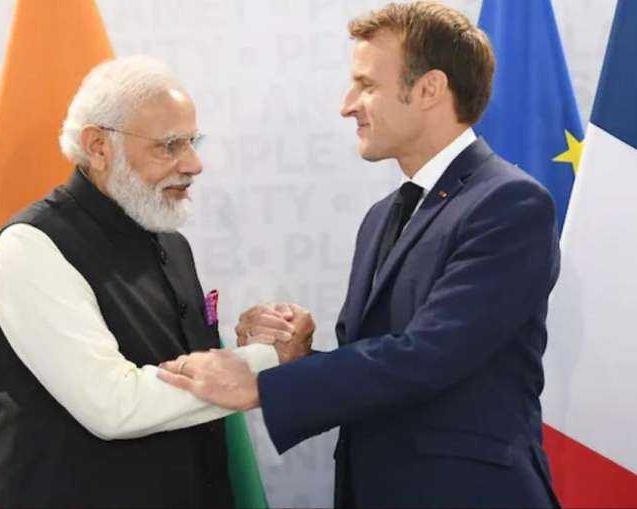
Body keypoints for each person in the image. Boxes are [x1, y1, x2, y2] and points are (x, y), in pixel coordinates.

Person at [158, 2, 561, 507]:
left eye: (366, 85)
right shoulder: (382, 215)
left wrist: (261, 383)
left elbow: (430, 356)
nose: (347, 105)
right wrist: (291, 355)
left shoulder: (509, 203)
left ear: (430, 89)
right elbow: (388, 368)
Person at [0, 56, 307, 508]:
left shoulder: (170, 241)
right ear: (98, 147)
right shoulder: (32, 246)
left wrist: (247, 340)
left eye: (192, 142)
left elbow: (177, 365)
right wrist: (266, 360)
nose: (194, 164)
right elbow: (113, 404)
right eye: (170, 146)